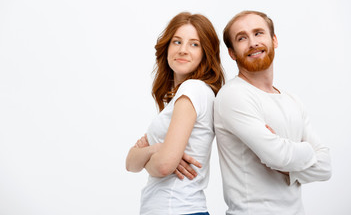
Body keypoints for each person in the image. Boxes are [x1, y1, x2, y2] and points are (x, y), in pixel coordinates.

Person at [214, 11, 332, 214]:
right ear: (232, 53)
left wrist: (285, 159)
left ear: (274, 40)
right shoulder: (233, 95)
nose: (253, 43)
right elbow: (277, 156)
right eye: (242, 38)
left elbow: (326, 167)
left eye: (259, 33)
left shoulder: (292, 100)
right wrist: (305, 150)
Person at [126, 12, 225, 215]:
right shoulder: (183, 96)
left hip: (177, 209)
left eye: (194, 44)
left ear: (206, 53)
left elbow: (163, 165)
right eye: (177, 42)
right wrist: (158, 149)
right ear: (167, 47)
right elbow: (130, 163)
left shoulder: (193, 89)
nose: (183, 50)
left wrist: (155, 153)